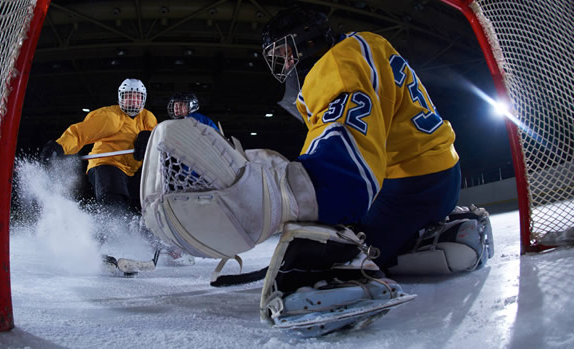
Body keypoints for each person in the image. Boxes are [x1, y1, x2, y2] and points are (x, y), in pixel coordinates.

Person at [139, 6, 492, 336]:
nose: (283, 63)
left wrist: (291, 200)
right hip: (426, 175)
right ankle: (432, 235)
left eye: (283, 52)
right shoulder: (358, 49)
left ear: (306, 40)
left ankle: (429, 240)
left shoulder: (337, 63)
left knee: (338, 252)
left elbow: (345, 164)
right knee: (347, 236)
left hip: (411, 186)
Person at [41, 78, 156, 219]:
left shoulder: (147, 118)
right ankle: (111, 231)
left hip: (133, 171)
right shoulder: (110, 117)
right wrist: (59, 146)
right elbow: (80, 134)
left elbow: (159, 138)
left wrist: (148, 137)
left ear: (143, 99)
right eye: (128, 97)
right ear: (120, 98)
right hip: (107, 164)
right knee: (115, 204)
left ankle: (140, 234)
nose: (133, 101)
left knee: (141, 205)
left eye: (137, 97)